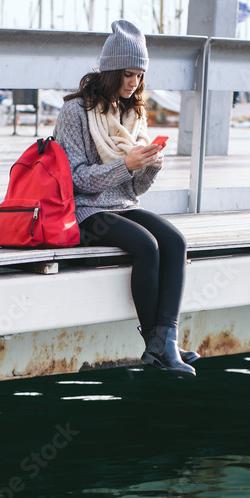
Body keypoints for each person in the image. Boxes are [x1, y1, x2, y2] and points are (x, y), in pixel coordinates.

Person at [53, 19, 198, 378]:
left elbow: (133, 191)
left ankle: (166, 340)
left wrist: (149, 166)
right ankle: (156, 343)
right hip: (84, 212)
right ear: (111, 71)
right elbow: (73, 180)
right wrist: (124, 164)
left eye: (140, 76)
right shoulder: (75, 112)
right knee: (146, 246)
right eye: (129, 74)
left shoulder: (131, 112)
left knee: (175, 241)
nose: (134, 83)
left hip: (120, 205)